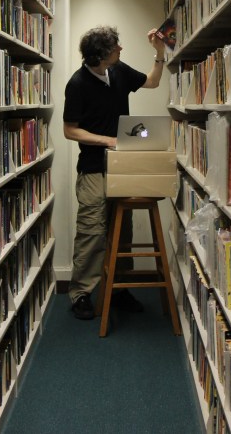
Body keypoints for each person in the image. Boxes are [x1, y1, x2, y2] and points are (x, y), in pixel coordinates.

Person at [63, 25, 167, 320]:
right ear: (100, 55)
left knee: (124, 229)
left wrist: (159, 54)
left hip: (123, 166)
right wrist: (108, 140)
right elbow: (70, 131)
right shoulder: (78, 83)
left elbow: (152, 82)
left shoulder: (118, 70)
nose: (121, 49)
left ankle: (119, 289)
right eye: (115, 47)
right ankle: (81, 293)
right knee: (92, 231)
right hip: (93, 168)